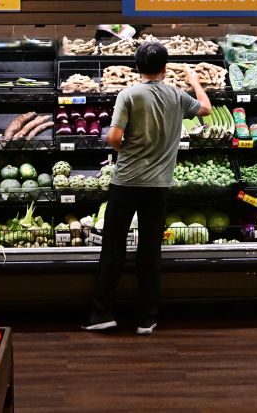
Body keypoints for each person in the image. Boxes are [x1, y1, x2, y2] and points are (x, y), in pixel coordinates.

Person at [81, 41, 212, 335]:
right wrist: (194, 81)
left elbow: (113, 138)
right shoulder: (177, 95)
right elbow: (205, 108)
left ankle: (101, 312)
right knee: (150, 250)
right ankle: (147, 318)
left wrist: (128, 149)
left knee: (113, 247)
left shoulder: (129, 94)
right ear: (165, 69)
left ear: (137, 68)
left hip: (126, 181)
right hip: (158, 186)